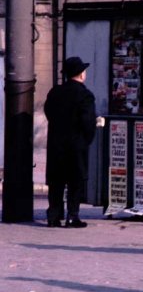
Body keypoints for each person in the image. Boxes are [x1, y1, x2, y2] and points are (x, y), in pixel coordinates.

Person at [44, 56, 97, 228]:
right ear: (81, 74)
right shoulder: (85, 95)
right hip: (76, 145)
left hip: (56, 144)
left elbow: (48, 113)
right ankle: (72, 216)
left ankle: (54, 215)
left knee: (56, 181)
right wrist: (87, 138)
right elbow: (87, 121)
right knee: (76, 180)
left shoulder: (55, 92)